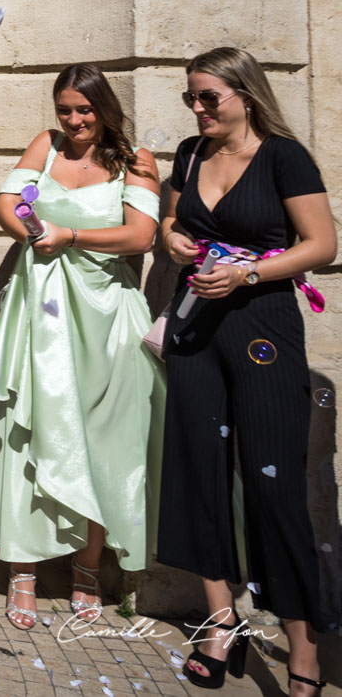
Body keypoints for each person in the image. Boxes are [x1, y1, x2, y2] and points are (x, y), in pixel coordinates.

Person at [157, 48, 334, 695]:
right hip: (195, 328)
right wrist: (174, 236)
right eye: (191, 99)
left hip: (264, 327)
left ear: (245, 94)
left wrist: (248, 270)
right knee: (198, 471)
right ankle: (219, 622)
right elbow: (177, 220)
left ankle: (304, 650)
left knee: (273, 486)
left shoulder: (284, 156)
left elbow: (322, 242)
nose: (198, 109)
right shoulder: (190, 152)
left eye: (209, 97)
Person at [0, 64, 164, 631]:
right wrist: (29, 229)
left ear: (105, 107)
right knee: (24, 434)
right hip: (42, 313)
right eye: (65, 110)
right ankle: (22, 572)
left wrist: (70, 235)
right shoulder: (45, 146)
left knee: (107, 443)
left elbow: (141, 235)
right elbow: (6, 203)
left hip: (107, 319)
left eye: (85, 109)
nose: (74, 121)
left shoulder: (136, 160)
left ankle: (87, 570)